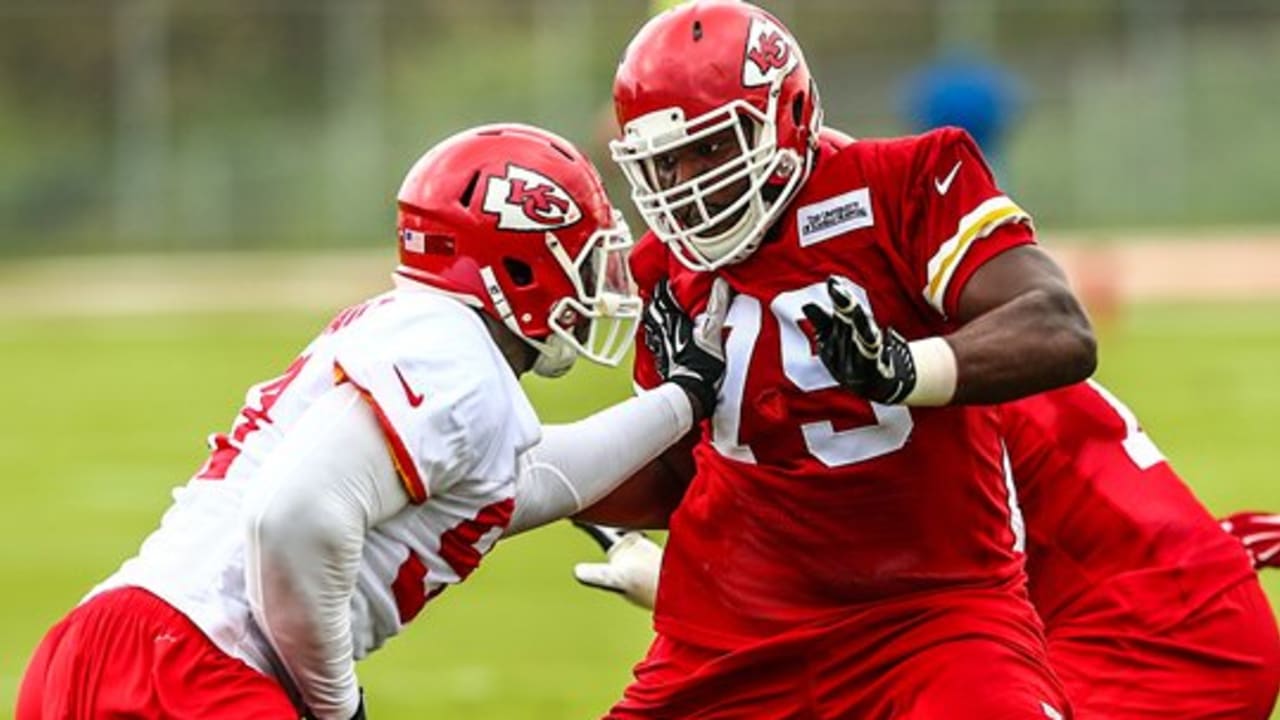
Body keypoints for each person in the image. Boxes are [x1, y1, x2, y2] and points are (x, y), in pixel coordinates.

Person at [14, 123, 730, 720]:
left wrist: (684, 399)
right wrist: (334, 705)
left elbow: (527, 477)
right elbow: (294, 518)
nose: (595, 280)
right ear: (515, 265)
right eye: (578, 255)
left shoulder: (424, 338)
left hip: (109, 644)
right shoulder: (458, 360)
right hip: (192, 671)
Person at [595, 1, 1099, 717]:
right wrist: (544, 478)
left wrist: (904, 369)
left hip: (933, 616)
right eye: (666, 162)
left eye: (711, 147)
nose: (688, 183)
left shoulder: (907, 182)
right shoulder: (664, 269)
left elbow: (1059, 327)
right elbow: (678, 476)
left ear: (786, 112)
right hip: (735, 632)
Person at [578, 379, 1280, 718]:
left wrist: (682, 581)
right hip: (1180, 609)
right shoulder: (971, 346)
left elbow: (881, 584)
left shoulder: (914, 384)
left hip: (1155, 649)